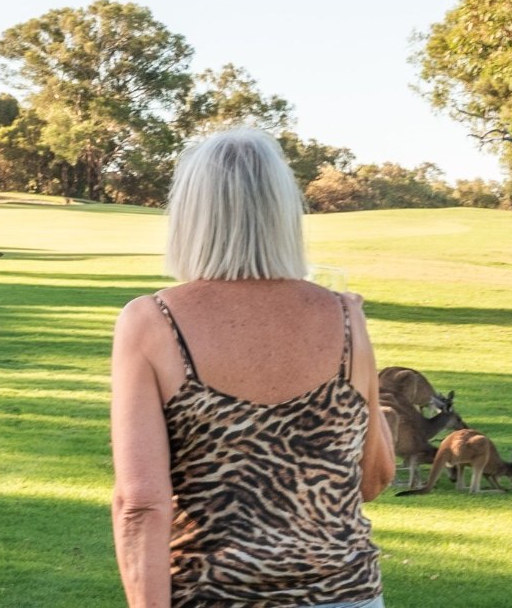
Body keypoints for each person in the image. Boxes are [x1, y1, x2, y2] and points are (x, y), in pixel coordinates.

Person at [108, 128, 395, 607]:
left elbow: (141, 504)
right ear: (284, 214)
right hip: (345, 596)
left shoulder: (151, 323)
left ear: (190, 217)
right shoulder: (346, 318)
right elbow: (373, 481)